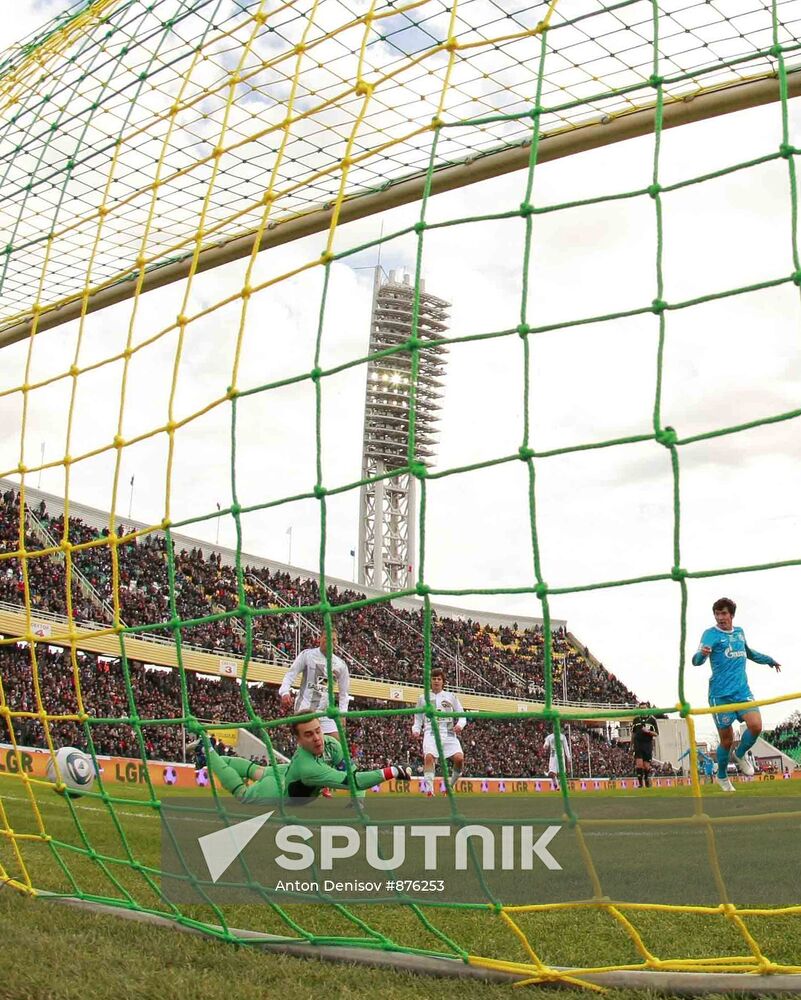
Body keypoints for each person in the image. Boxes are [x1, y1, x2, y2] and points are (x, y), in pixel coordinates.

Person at [200, 717, 411, 802]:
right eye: (309, 734)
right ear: (299, 741)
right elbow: (353, 781)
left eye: (318, 730)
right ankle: (207, 750)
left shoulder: (331, 744)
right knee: (243, 795)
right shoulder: (309, 767)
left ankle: (211, 760)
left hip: (285, 771)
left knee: (257, 771)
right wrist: (392, 771)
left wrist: (360, 802)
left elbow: (351, 770)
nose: (317, 738)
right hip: (280, 790)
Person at [692, 597, 781, 792]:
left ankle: (739, 755)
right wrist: (703, 654)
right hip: (720, 696)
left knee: (756, 726)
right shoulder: (710, 634)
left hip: (742, 692)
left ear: (731, 615)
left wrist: (769, 660)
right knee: (726, 740)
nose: (720, 617)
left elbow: (749, 653)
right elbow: (696, 661)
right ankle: (722, 776)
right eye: (717, 614)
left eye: (724, 613)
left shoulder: (739, 632)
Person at [411, 668, 466, 795]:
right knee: (429, 757)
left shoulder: (451, 696)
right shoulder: (423, 698)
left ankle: (450, 786)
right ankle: (429, 790)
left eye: (439, 679)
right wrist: (416, 729)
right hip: (431, 733)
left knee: (459, 758)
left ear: (443, 682)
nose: (436, 681)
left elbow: (462, 715)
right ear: (430, 681)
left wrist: (460, 725)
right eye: (434, 678)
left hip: (449, 733)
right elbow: (418, 718)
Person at [631, 707, 659, 788]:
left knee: (646, 766)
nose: (643, 710)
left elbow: (656, 734)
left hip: (647, 744)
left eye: (644, 708)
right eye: (641, 708)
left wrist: (648, 731)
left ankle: (646, 778)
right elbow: (633, 733)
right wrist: (631, 744)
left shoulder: (652, 720)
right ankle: (640, 784)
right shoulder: (636, 719)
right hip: (638, 743)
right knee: (639, 764)